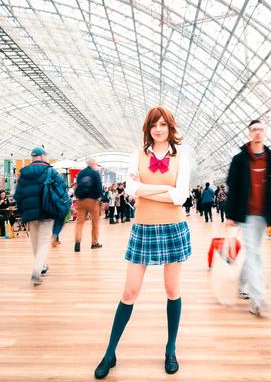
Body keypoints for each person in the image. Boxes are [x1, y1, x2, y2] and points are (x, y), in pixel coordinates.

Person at [94, 106, 192, 379]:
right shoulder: (135, 156)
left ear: (170, 127)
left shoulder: (180, 158)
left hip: (174, 227)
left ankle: (170, 349)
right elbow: (132, 190)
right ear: (148, 129)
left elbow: (181, 197)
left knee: (172, 289)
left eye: (162, 125)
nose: (158, 130)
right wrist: (165, 190)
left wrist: (148, 192)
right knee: (129, 292)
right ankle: (110, 352)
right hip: (143, 228)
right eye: (153, 125)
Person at [226, 119, 271, 315]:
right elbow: (233, 189)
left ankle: (241, 282)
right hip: (245, 215)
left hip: (262, 215)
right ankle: (258, 299)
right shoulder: (239, 159)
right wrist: (230, 215)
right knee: (254, 254)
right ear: (249, 133)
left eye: (260, 129)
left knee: (253, 252)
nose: (257, 133)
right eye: (254, 129)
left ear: (265, 133)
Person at [14, 147, 67, 285]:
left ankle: (42, 266)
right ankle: (36, 272)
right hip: (46, 211)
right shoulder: (51, 172)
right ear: (43, 156)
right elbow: (62, 190)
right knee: (43, 242)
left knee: (35, 242)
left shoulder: (23, 174)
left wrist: (22, 212)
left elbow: (18, 195)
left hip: (30, 213)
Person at [74, 157, 103, 252]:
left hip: (81, 200)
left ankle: (77, 243)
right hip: (92, 200)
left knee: (80, 222)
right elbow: (99, 187)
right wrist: (100, 198)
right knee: (95, 223)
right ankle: (94, 243)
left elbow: (77, 186)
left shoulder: (81, 173)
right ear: (93, 164)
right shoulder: (95, 174)